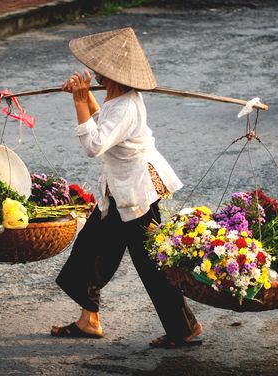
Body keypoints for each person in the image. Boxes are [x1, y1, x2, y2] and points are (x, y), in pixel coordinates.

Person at [50, 27, 202, 348]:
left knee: (151, 264)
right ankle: (88, 320)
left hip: (135, 195)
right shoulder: (118, 99)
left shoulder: (126, 106)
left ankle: (184, 328)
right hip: (119, 193)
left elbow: (95, 144)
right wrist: (83, 98)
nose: (95, 75)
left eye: (100, 73)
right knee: (90, 250)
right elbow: (103, 119)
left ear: (114, 76)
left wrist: (79, 101)